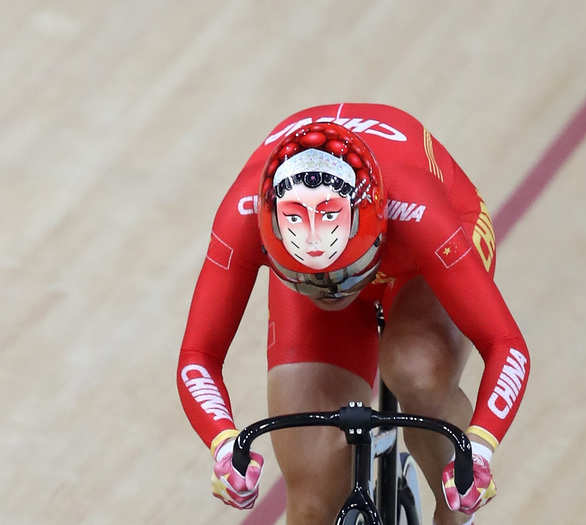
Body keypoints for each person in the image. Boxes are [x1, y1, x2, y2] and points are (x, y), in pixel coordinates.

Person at [177, 103, 530, 525]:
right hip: (361, 249)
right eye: (309, 277)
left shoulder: (418, 210)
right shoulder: (246, 215)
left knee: (415, 368)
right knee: (310, 500)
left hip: (418, 255)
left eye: (344, 273)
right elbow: (199, 354)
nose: (331, 290)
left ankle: (454, 515)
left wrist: (480, 446)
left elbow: (506, 345)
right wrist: (222, 442)